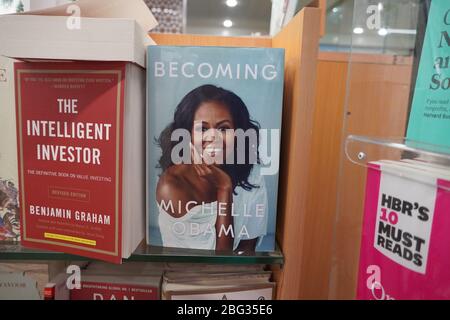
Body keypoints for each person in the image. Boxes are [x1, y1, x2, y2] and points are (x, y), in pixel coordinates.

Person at [155, 84, 268, 252]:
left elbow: (247, 250)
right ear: (188, 134)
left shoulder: (251, 174)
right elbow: (218, 260)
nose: (213, 137)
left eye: (223, 128)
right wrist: (224, 187)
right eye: (203, 128)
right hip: (187, 274)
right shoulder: (172, 186)